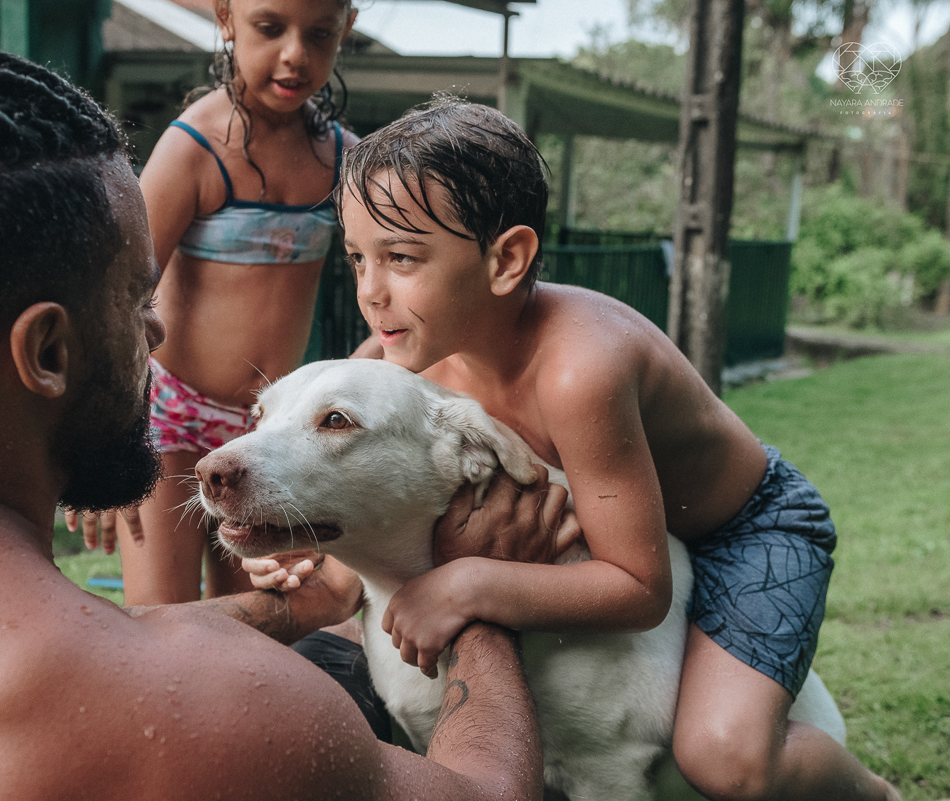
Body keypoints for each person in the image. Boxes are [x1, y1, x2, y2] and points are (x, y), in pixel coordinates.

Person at [0, 5, 551, 798]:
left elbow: (129, 633)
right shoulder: (217, 703)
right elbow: (489, 792)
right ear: (49, 353)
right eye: (138, 299)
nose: (159, 324)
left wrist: (313, 599)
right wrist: (474, 593)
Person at [250, 98, 901, 801]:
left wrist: (466, 584)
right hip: (630, 526)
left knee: (725, 757)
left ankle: (872, 793)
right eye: (358, 258)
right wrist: (301, 547)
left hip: (746, 526)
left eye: (401, 258)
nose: (371, 292)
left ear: (506, 259)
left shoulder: (579, 369)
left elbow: (638, 586)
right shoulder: (397, 354)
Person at [68, 0, 361, 607]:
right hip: (169, 415)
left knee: (258, 610)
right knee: (163, 619)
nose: (295, 55)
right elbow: (115, 293)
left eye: (320, 34)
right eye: (270, 28)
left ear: (347, 29)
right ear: (226, 17)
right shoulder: (195, 148)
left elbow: (400, 275)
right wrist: (97, 438)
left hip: (268, 426)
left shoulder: (341, 158)